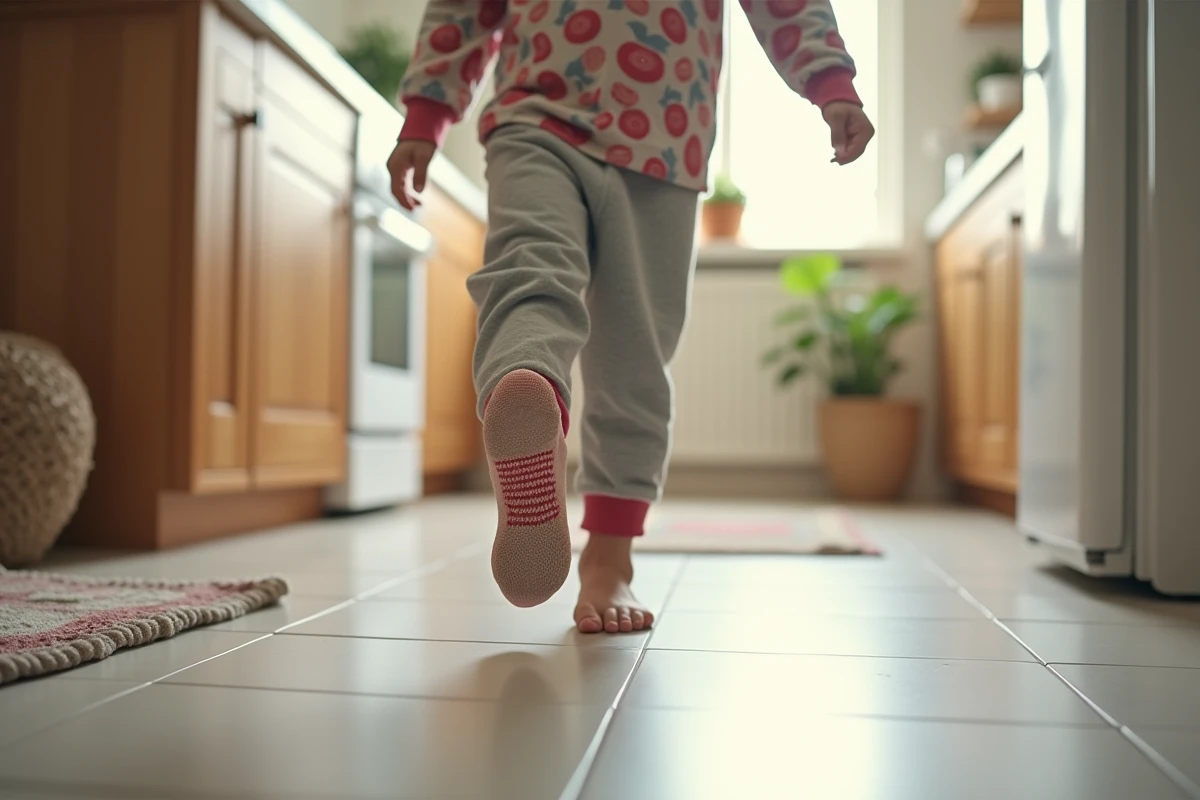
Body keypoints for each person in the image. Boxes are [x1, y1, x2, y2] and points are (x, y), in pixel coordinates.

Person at [387, 0, 874, 634]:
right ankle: (600, 547)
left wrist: (427, 115)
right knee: (630, 353)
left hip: (623, 130)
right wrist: (831, 83)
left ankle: (532, 393)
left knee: (542, 285)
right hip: (612, 123)